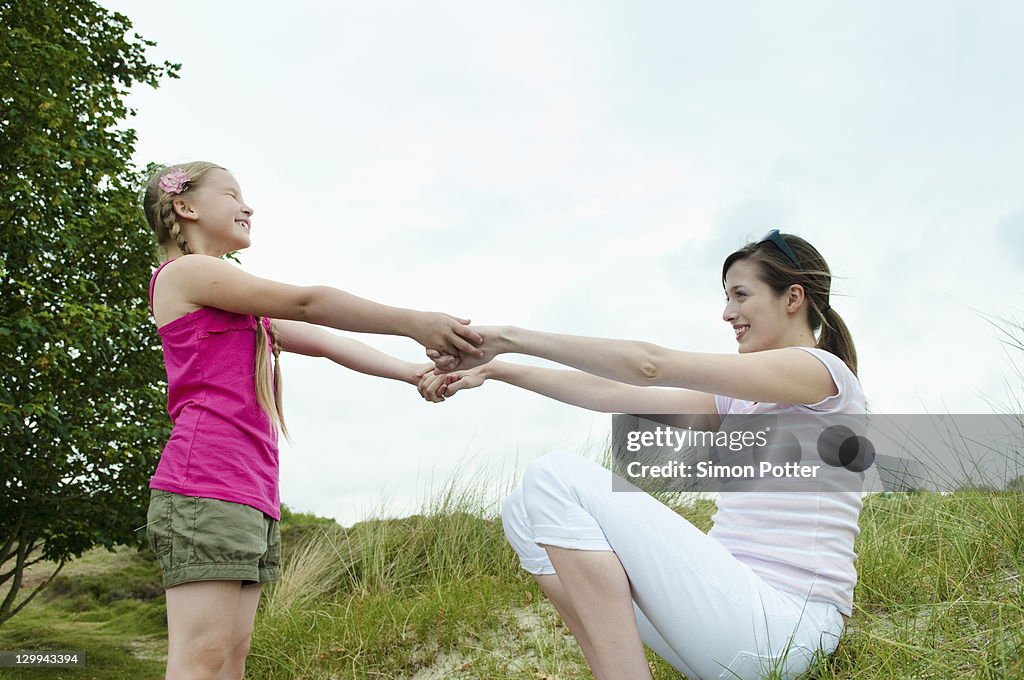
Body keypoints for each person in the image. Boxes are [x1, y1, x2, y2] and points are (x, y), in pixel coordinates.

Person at [419, 231, 862, 679]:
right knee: (522, 512)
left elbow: (649, 365)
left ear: (794, 298)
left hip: (789, 629)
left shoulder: (820, 372)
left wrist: (509, 338)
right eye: (727, 298)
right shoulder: (737, 403)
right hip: (731, 620)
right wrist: (496, 369)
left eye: (741, 295)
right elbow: (615, 393)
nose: (728, 313)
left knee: (554, 477)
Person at [140, 161, 483, 680]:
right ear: (185, 208)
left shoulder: (237, 306)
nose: (247, 206)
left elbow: (324, 343)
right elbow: (309, 303)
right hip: (204, 485)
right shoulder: (186, 275)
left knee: (231, 658)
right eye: (232, 194)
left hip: (248, 490)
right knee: (201, 656)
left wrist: (414, 372)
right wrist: (412, 322)